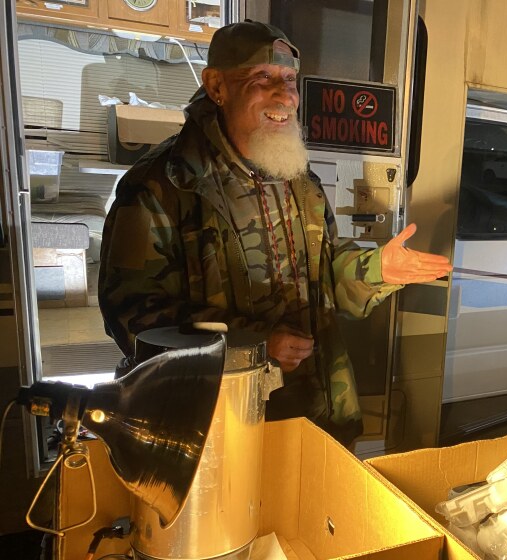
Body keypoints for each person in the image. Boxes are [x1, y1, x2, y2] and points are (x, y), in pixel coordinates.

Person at [98, 20, 452, 444]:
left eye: (289, 80)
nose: (284, 95)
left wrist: (378, 269)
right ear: (216, 87)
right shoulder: (163, 186)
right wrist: (256, 347)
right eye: (262, 78)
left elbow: (325, 276)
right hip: (217, 426)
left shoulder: (298, 181)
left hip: (314, 416)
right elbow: (133, 319)